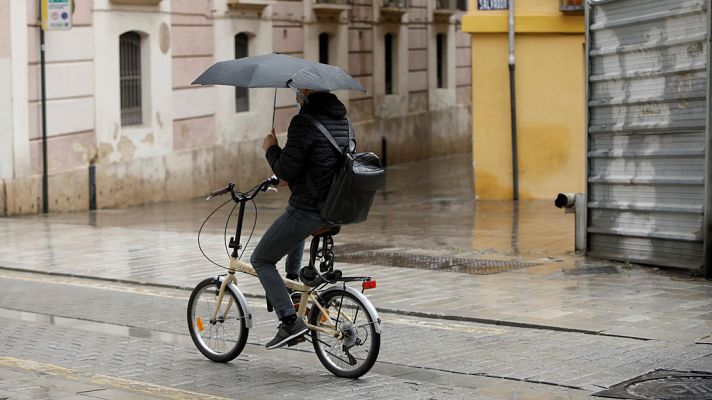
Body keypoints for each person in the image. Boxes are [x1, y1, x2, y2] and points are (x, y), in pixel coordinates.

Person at [251, 88, 351, 350]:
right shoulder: (342, 121)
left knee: (260, 259)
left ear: (308, 93)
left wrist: (271, 149)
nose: (296, 95)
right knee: (293, 228)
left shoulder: (303, 122)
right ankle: (294, 283)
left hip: (309, 208)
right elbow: (323, 162)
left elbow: (286, 169)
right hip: (335, 207)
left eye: (299, 91)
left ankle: (289, 322)